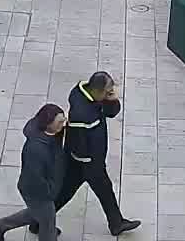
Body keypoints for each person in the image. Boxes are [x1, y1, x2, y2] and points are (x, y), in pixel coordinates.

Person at [57, 71, 141, 236]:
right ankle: (116, 224)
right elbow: (77, 143)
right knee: (74, 192)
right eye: (108, 92)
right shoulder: (82, 115)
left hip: (89, 162)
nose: (110, 93)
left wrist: (112, 100)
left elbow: (111, 113)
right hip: (87, 162)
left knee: (78, 192)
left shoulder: (86, 94)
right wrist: (91, 163)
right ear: (98, 91)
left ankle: (116, 223)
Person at [0, 103, 67, 240]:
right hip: (37, 192)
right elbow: (35, 177)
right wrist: (50, 191)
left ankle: (2, 224)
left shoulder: (53, 133)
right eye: (60, 122)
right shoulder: (36, 149)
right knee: (47, 222)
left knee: (38, 213)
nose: (64, 124)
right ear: (48, 124)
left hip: (45, 188)